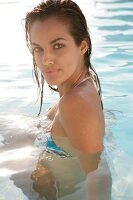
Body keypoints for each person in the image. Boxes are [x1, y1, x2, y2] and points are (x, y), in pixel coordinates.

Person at [25, 0, 112, 199]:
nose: (46, 59)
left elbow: (98, 175)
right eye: (38, 48)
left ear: (83, 46)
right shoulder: (84, 85)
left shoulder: (75, 102)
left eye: (57, 46)